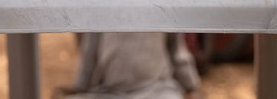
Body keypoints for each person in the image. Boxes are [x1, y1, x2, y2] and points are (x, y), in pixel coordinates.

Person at [54, 32, 201, 99]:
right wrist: (79, 87)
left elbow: (177, 52)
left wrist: (191, 86)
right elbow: (89, 54)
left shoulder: (161, 0)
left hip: (156, 90)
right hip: (110, 92)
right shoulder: (103, 2)